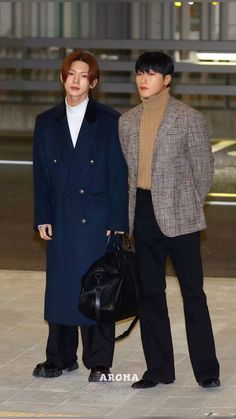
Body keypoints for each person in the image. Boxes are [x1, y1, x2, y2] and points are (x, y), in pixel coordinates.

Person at [119, 51, 220, 389]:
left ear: (167, 79)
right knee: (150, 295)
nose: (143, 79)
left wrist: (189, 206)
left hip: (182, 216)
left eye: (150, 73)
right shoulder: (127, 121)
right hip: (143, 215)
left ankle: (206, 370)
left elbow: (203, 171)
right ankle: (159, 370)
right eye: (139, 73)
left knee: (193, 293)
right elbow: (130, 175)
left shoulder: (188, 118)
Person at [32, 50, 128, 382]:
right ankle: (59, 357)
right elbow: (41, 176)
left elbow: (118, 177)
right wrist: (42, 215)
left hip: (97, 219)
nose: (76, 80)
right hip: (60, 216)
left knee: (97, 288)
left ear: (93, 82)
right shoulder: (46, 122)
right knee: (60, 287)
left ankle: (99, 361)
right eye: (71, 74)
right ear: (63, 78)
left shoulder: (108, 121)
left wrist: (117, 224)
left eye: (83, 75)